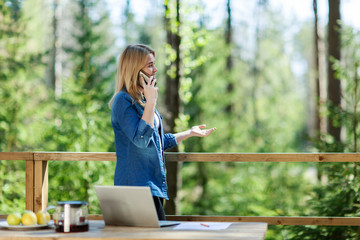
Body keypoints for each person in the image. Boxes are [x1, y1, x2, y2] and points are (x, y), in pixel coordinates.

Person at [109, 44, 216, 220]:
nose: (155, 69)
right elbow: (141, 139)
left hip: (153, 187)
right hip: (136, 189)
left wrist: (189, 132)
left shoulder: (143, 100)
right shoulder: (123, 101)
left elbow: (156, 141)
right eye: (150, 65)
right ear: (135, 70)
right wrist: (151, 102)